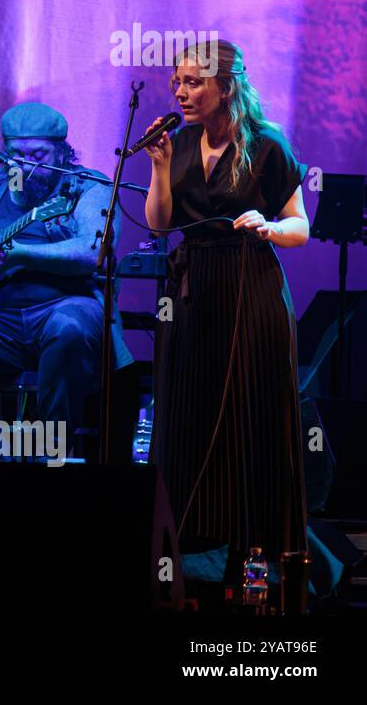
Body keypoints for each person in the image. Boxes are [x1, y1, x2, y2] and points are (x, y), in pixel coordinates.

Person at [145, 41, 308, 574]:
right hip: (194, 293)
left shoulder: (266, 146)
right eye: (177, 81)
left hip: (250, 288)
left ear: (226, 86)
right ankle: (186, 547)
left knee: (249, 417)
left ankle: (255, 548)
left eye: (193, 82)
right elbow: (160, 223)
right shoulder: (182, 142)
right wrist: (161, 169)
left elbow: (300, 227)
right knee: (187, 414)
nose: (180, 91)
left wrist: (268, 225)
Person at [0, 102, 133, 459]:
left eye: (38, 154)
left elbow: (89, 252)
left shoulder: (87, 187)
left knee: (69, 328)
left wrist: (17, 254)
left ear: (61, 151)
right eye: (17, 154)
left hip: (64, 306)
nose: (26, 165)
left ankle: (50, 451)